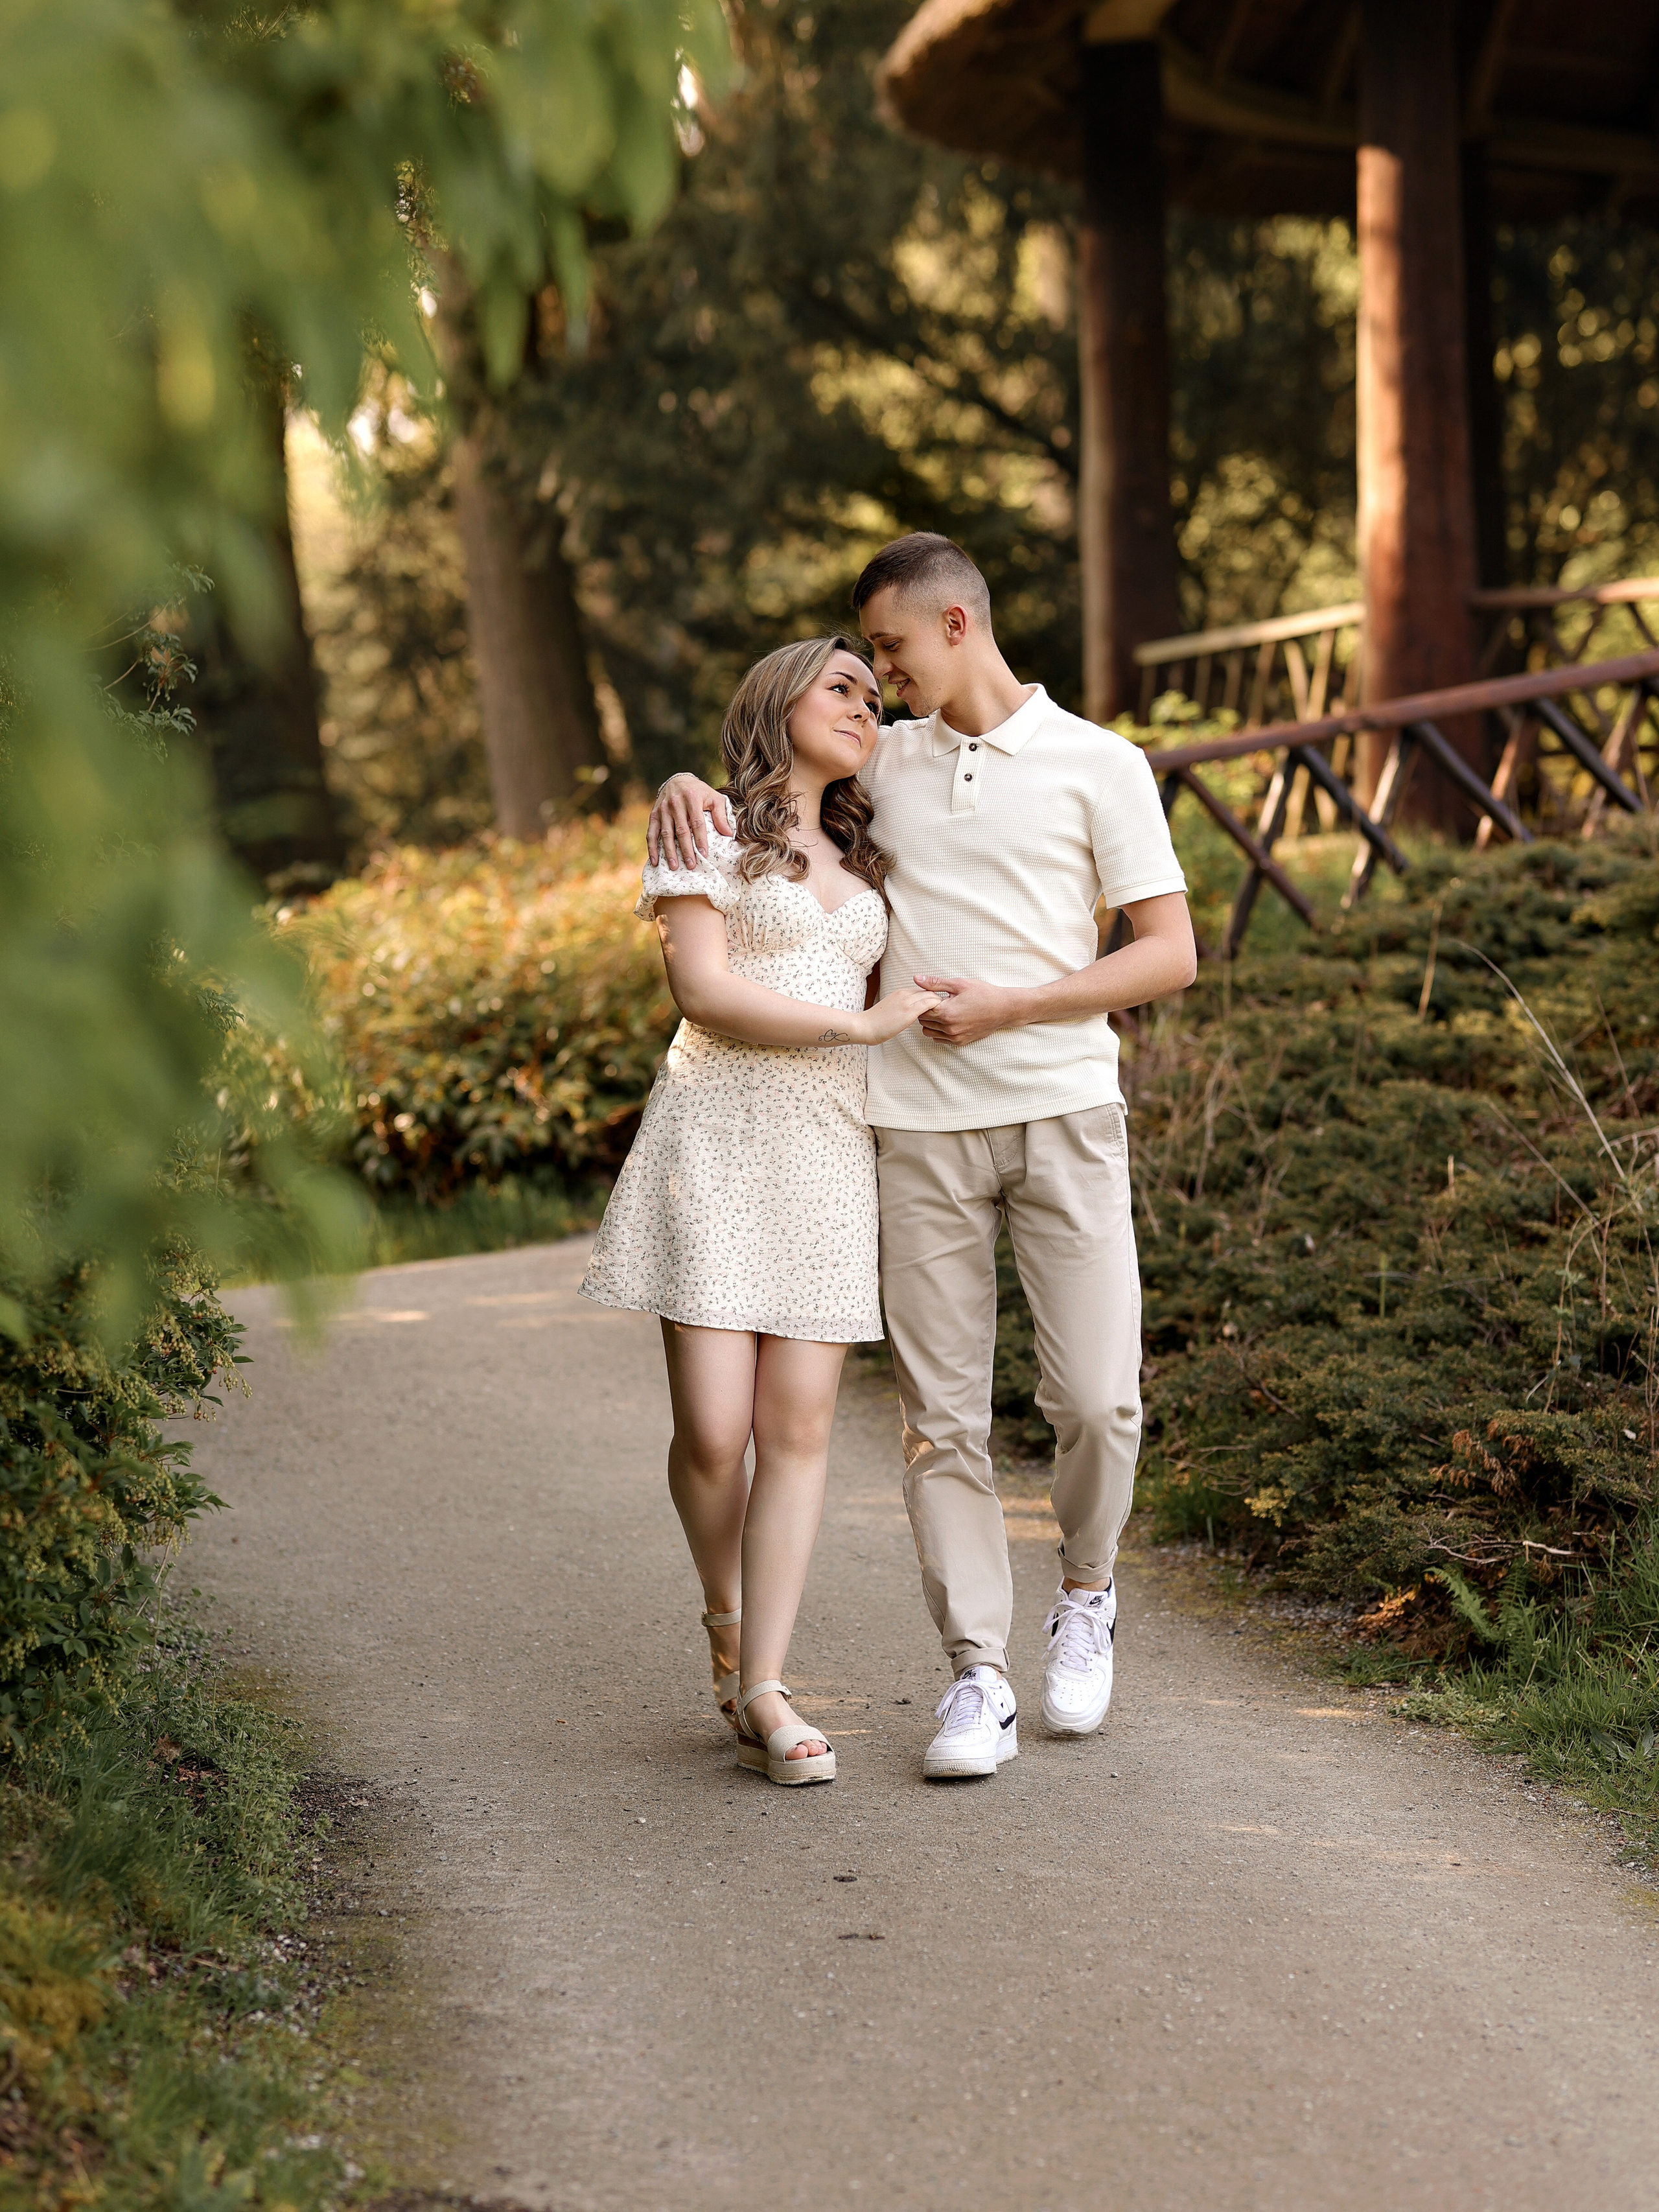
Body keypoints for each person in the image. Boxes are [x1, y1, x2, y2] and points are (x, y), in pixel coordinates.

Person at [648, 534, 1197, 1781]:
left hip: (1063, 1106)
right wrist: (682, 780)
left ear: (957, 625)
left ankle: (1088, 1590)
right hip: (909, 1131)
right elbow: (765, 788)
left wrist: (1017, 1005)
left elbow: (1169, 953)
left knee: (1098, 1402)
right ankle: (979, 1672)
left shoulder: (1101, 763)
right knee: (939, 1420)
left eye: (890, 650)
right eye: (865, 662)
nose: (880, 679)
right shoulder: (880, 762)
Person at [581, 634, 936, 1787]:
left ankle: (768, 1687)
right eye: (842, 686)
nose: (866, 705)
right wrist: (857, 1026)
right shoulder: (707, 833)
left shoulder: (875, 858)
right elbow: (703, 989)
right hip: (716, 1142)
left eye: (876, 696)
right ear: (779, 699)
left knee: (797, 1432)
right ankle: (725, 1623)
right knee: (711, 1431)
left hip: (829, 1155)